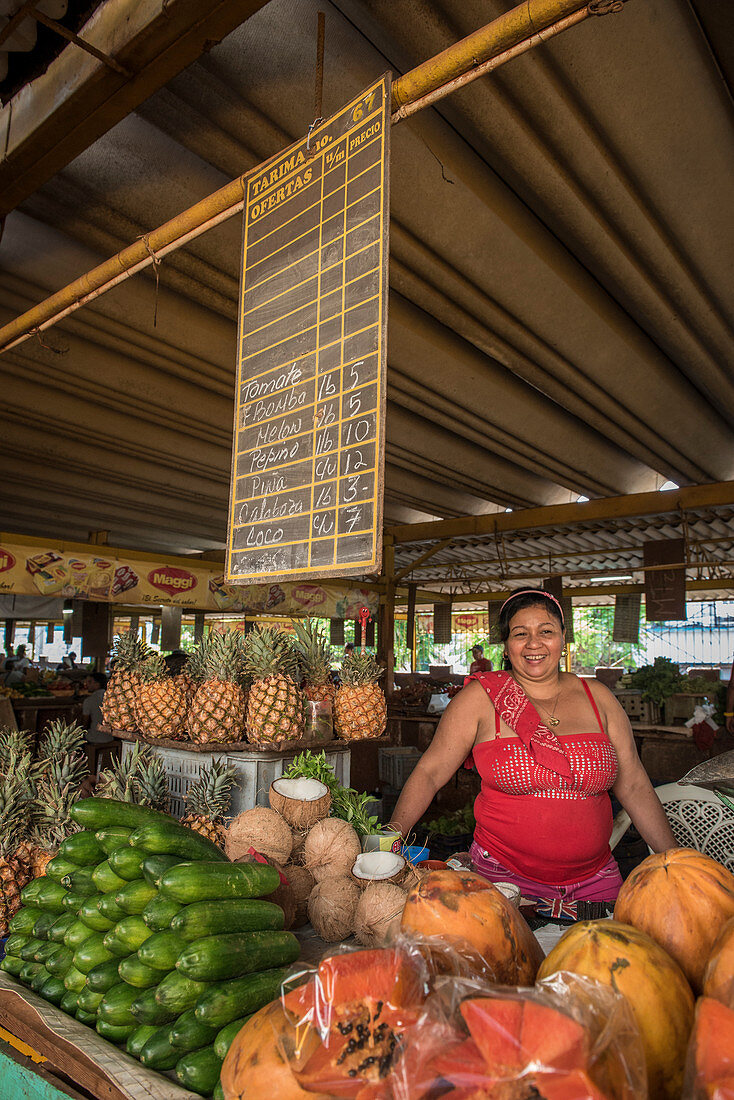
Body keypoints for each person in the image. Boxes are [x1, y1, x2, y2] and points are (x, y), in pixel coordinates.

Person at [387, 587, 676, 906]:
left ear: (563, 638)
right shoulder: (480, 700)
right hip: (501, 882)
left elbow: (634, 784)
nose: (533, 643)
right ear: (507, 646)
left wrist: (676, 863)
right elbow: (429, 772)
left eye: (546, 631)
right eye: (520, 633)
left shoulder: (599, 698)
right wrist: (389, 839)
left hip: (596, 883)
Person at [82, 672, 109, 743]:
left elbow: (85, 724)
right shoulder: (111, 698)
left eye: (90, 682)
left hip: (95, 738)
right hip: (111, 737)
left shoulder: (89, 700)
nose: (86, 684)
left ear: (97, 684)